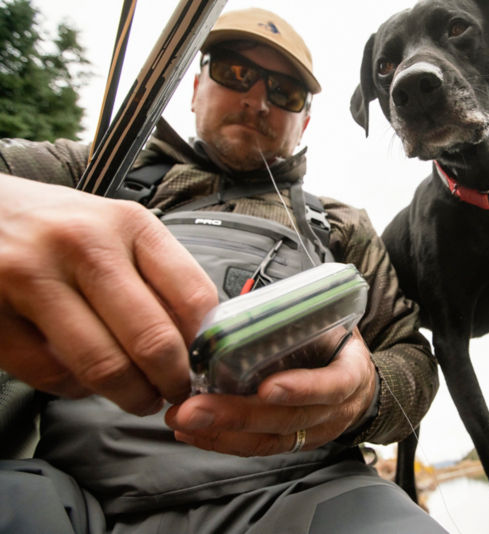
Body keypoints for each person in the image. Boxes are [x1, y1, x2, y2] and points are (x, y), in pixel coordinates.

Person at [0, 8, 446, 533]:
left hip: (302, 496)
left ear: (305, 121)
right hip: (70, 498)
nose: (257, 100)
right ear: (193, 87)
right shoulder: (92, 170)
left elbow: (410, 355)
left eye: (286, 93)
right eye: (235, 73)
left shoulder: (341, 226)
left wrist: (366, 394)